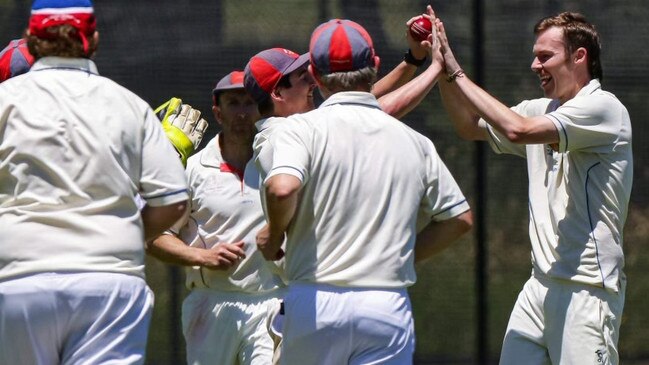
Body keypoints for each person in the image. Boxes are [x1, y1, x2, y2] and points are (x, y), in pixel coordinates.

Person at [257, 18, 473, 364]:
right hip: (386, 303)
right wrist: (401, 255)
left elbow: (282, 189)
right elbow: (459, 219)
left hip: (316, 300)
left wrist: (273, 236)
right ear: (373, 65)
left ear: (314, 72)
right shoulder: (414, 141)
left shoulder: (297, 129)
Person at [433, 6, 632, 364]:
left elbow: (518, 130)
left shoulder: (604, 109)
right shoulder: (540, 107)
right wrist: (441, 71)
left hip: (587, 292)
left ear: (579, 56)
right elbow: (468, 125)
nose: (535, 65)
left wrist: (457, 71)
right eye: (534, 56)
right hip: (538, 286)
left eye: (545, 56)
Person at [0, 1, 189, 364]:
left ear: (31, 38)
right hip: (108, 279)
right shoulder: (129, 105)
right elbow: (174, 203)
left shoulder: (6, 102)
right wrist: (116, 232)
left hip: (21, 279)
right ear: (95, 38)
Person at [147, 71, 286, 365]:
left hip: (272, 302)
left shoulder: (281, 162)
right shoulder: (193, 169)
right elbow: (155, 237)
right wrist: (203, 256)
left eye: (249, 103)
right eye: (233, 103)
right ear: (217, 112)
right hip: (211, 302)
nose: (242, 112)